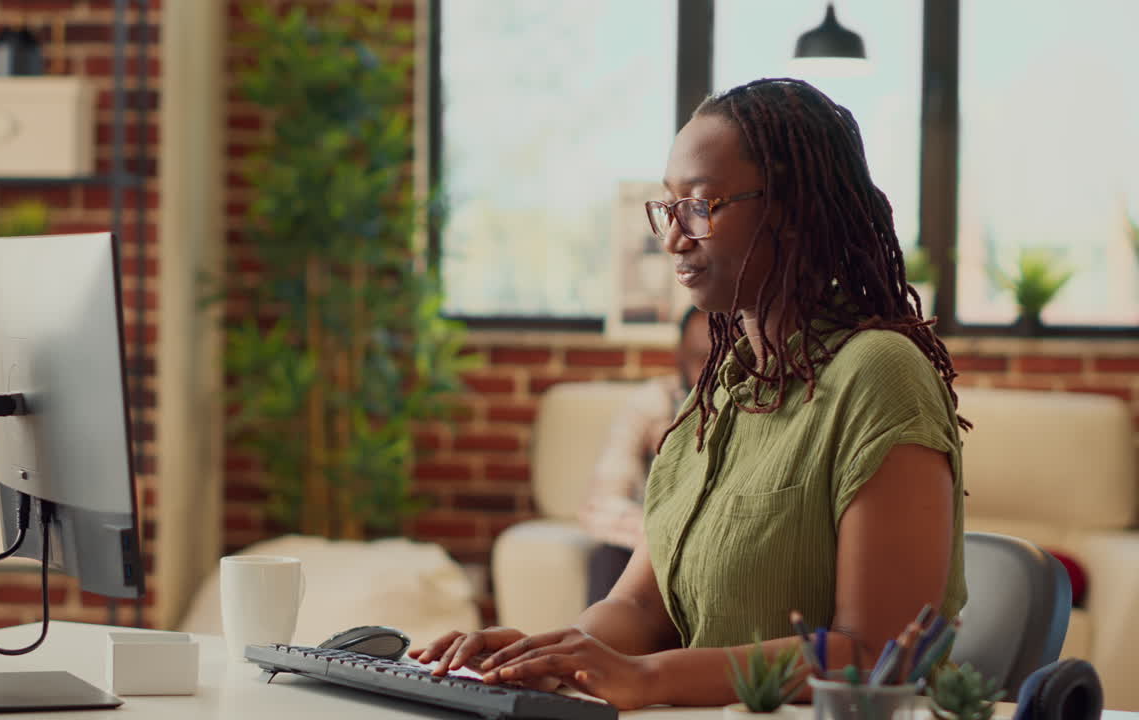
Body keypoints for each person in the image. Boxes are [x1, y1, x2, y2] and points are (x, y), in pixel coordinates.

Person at [411, 77, 969, 710]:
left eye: (702, 205)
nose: (675, 236)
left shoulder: (879, 375)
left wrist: (649, 680)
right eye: (669, 208)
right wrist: (549, 656)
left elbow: (876, 653)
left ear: (787, 209)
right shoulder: (718, 392)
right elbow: (640, 606)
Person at [579, 305, 709, 606]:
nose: (717, 372)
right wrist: (662, 540)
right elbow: (601, 503)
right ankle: (595, 646)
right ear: (680, 358)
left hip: (719, 544)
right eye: (703, 360)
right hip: (652, 540)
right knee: (609, 556)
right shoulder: (652, 404)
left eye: (727, 357)